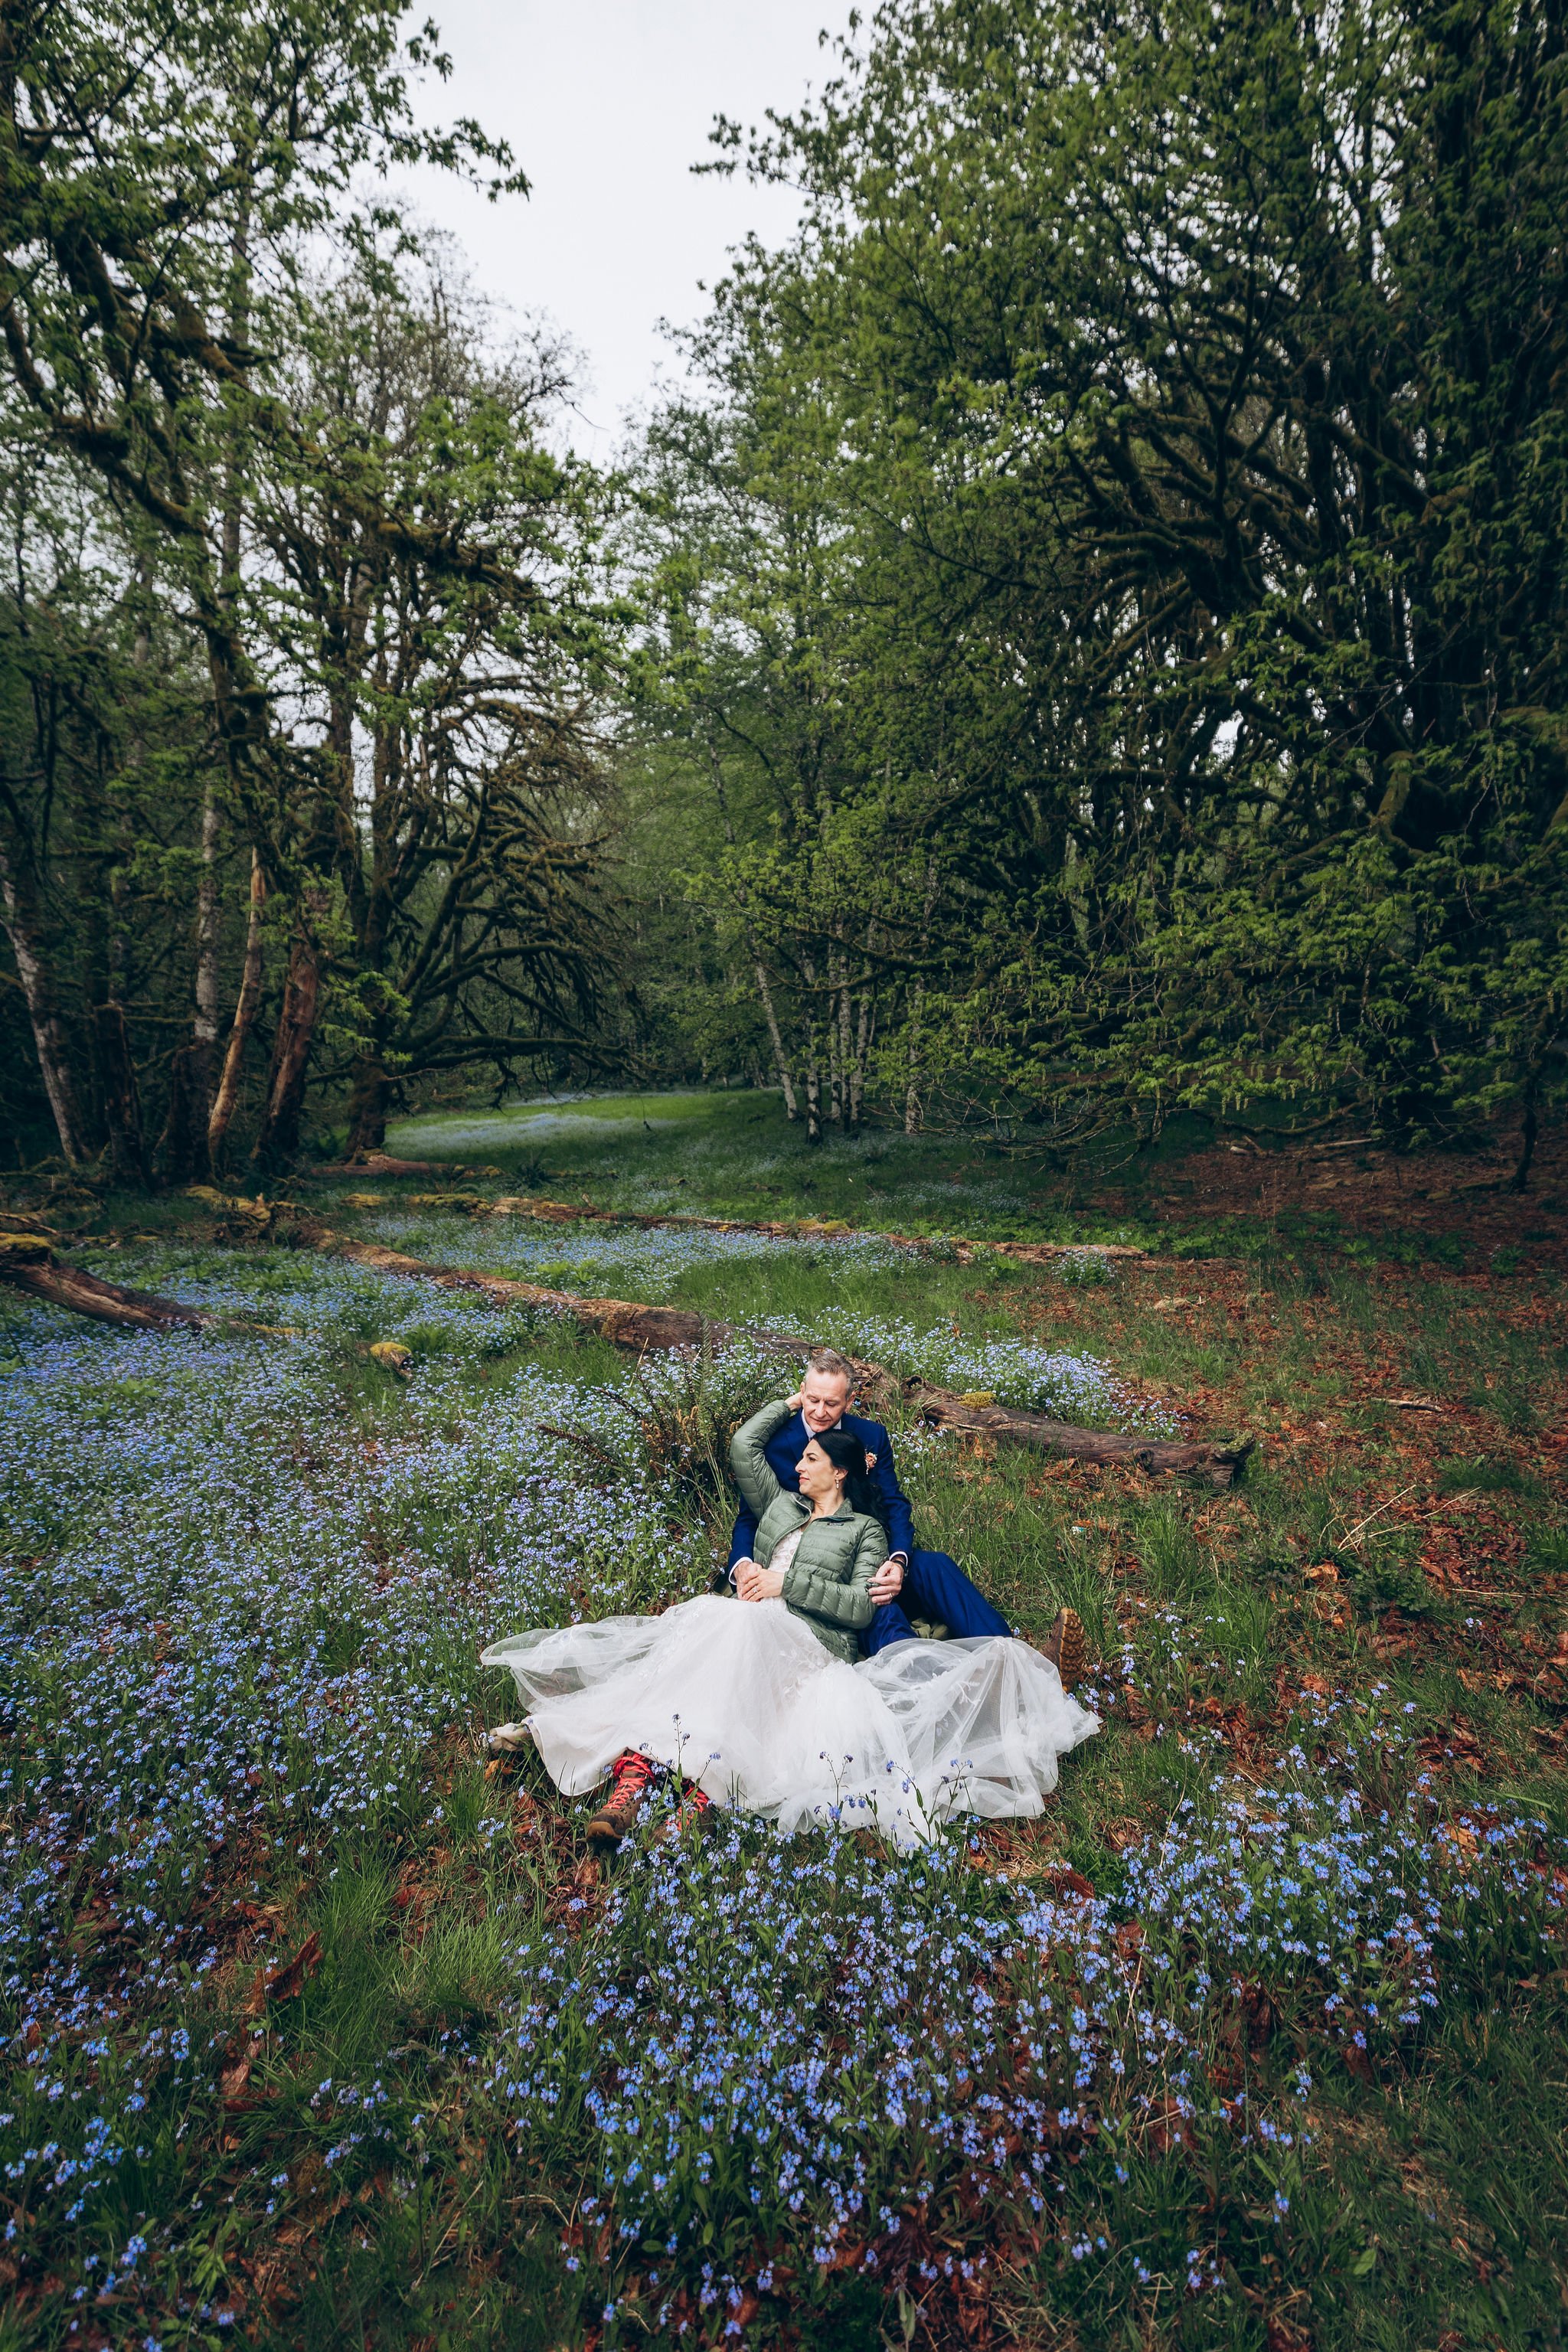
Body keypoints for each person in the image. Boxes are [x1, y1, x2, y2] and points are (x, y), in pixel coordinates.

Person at [481, 1393, 1099, 1851]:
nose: (797, 1466)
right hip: (750, 1623)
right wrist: (791, 1404)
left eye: (808, 1459)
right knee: (708, 1644)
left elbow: (860, 1608)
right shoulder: (781, 1506)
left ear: (837, 1471)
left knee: (737, 1637)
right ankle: (633, 1789)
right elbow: (743, 1448)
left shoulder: (866, 1530)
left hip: (807, 1638)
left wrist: (785, 1584)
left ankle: (692, 1799)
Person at [727, 1347, 1086, 1684]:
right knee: (875, 1606)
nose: (820, 1412)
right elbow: (751, 1514)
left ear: (850, 1401)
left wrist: (897, 1561)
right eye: (813, 1399)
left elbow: (894, 1504)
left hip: (871, 1548)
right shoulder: (776, 1443)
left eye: (831, 1403)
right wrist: (742, 1562)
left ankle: (1020, 1663)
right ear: (802, 1391)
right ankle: (932, 1692)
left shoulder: (871, 1436)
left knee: (934, 1566)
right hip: (824, 1568)